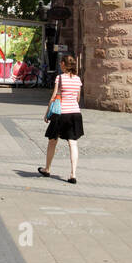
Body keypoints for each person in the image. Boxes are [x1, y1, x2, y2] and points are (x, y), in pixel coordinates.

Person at [39, 54, 84, 183]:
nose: (59, 64)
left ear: (64, 64)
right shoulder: (77, 79)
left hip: (61, 114)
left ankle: (47, 169)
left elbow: (54, 97)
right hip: (75, 113)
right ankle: (73, 174)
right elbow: (78, 99)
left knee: (52, 141)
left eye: (61, 63)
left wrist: (47, 113)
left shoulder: (60, 78)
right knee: (73, 143)